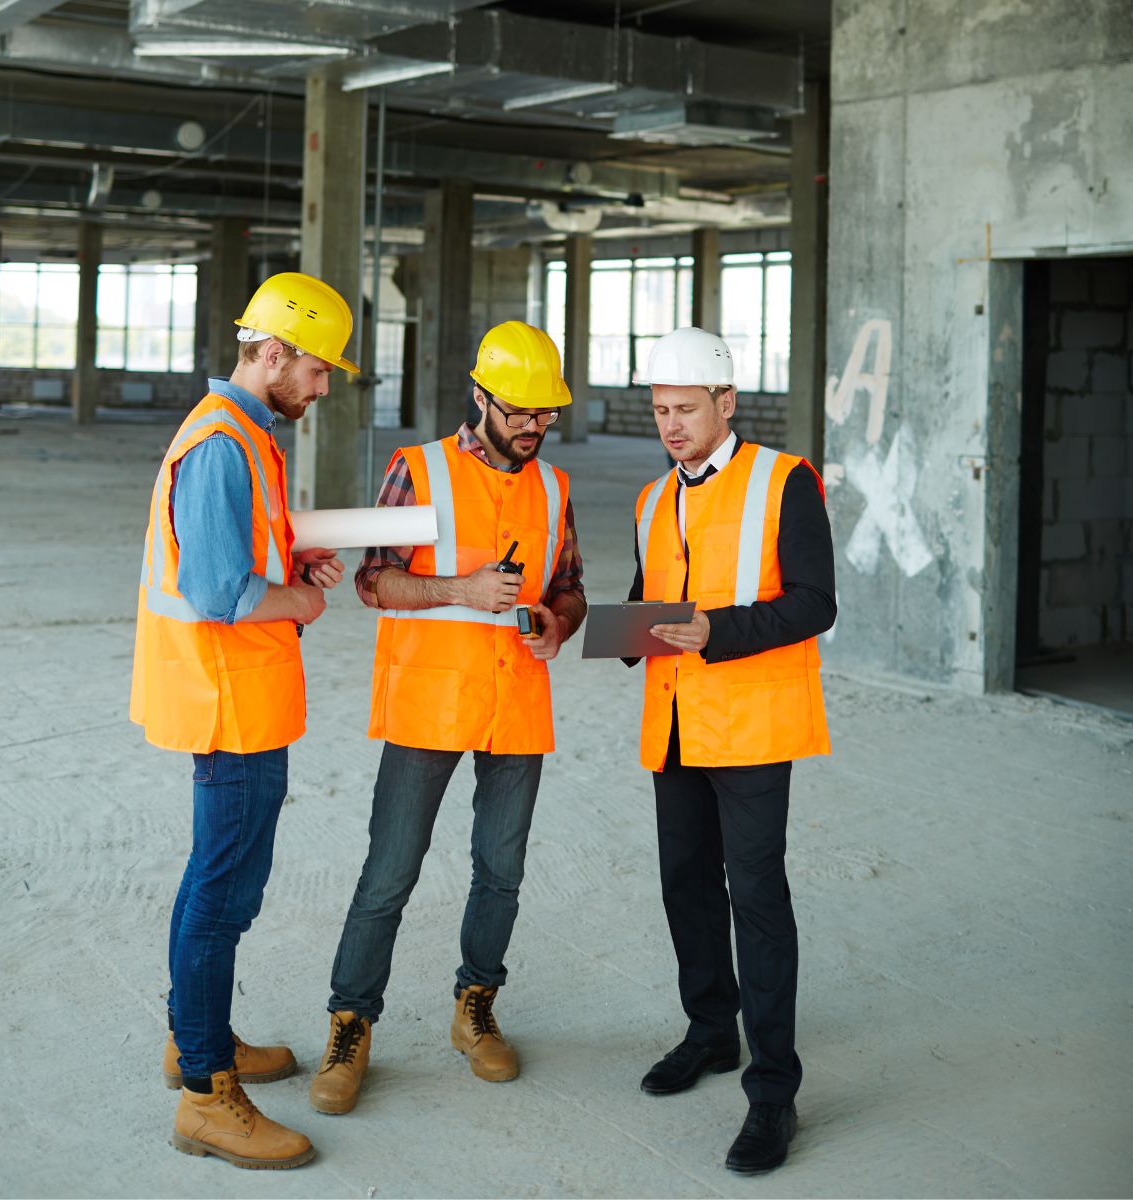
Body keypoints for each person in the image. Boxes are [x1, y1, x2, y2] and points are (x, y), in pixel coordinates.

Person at [308, 320, 587, 1116]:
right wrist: (460, 590)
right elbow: (373, 581)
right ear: (480, 397)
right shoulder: (419, 469)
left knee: (502, 872)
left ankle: (476, 1007)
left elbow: (570, 585)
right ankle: (350, 1024)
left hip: (516, 702)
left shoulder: (554, 487)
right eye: (520, 410)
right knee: (389, 874)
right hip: (429, 701)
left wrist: (558, 624)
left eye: (545, 412)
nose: (534, 425)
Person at [130, 271, 359, 1170]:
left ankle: (195, 1038)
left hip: (244, 695)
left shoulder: (247, 434)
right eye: (317, 368)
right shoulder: (224, 443)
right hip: (228, 703)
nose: (324, 386)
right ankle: (204, 1095)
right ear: (271, 353)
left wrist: (291, 564)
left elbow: (239, 557)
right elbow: (220, 591)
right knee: (221, 896)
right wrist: (300, 599)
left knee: (217, 886)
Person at [625, 326, 835, 1174]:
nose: (671, 426)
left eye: (685, 409)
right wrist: (603, 630)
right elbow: (649, 600)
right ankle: (712, 1030)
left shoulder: (785, 481)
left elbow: (815, 603)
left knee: (756, 897)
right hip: (674, 721)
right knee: (685, 883)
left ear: (727, 402)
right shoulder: (651, 499)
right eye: (660, 411)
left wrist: (717, 630)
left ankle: (774, 1091)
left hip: (750, 724)